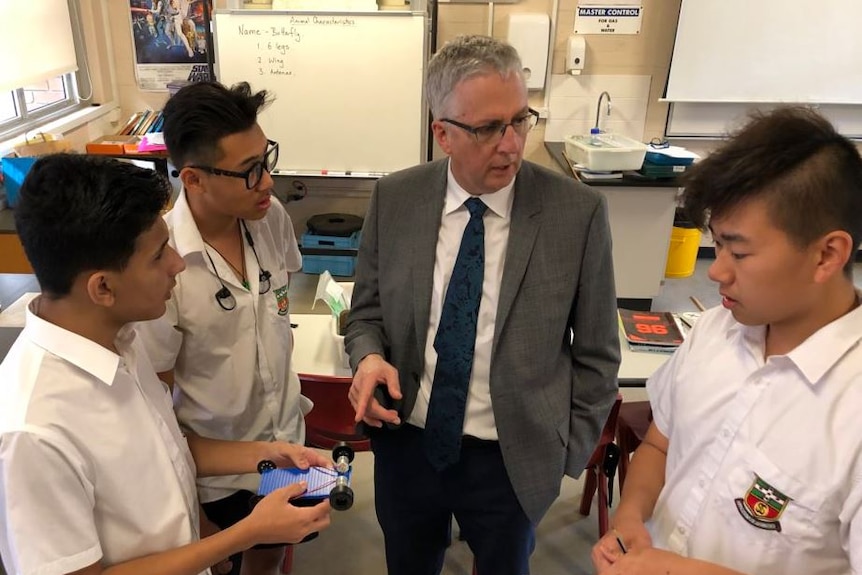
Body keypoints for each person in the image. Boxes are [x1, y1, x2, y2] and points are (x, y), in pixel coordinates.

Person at [345, 35, 620, 575]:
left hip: (512, 457)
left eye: (521, 119)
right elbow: (366, 315)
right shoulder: (395, 199)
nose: (512, 143)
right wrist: (367, 358)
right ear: (442, 134)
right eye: (489, 127)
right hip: (410, 445)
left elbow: (597, 354)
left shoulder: (577, 214)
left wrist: (566, 450)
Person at [0, 154, 331, 575]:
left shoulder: (121, 342)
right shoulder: (31, 431)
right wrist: (245, 534)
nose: (177, 263)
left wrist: (270, 453)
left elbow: (165, 446)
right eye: (159, 256)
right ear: (102, 287)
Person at [591, 107, 862, 575]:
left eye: (738, 252)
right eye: (716, 246)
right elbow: (661, 441)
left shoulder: (849, 412)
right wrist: (632, 513)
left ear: (827, 254)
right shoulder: (716, 331)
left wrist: (676, 570)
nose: (715, 270)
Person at [135, 80, 308, 575]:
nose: (268, 182)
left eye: (266, 160)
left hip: (282, 436)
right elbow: (156, 398)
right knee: (221, 561)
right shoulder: (161, 265)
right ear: (193, 178)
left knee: (269, 555)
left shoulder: (269, 217)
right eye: (249, 172)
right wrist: (198, 516)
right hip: (215, 468)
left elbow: (277, 302)